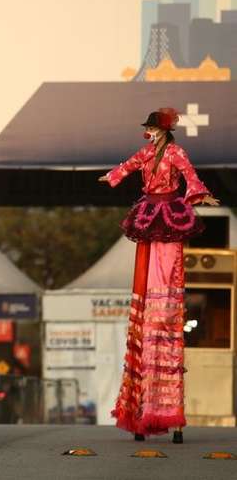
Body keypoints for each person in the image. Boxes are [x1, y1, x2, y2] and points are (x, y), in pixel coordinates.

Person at [99, 107, 219, 444]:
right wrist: (112, 176)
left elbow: (190, 175)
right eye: (148, 128)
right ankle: (140, 412)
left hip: (168, 210)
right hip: (150, 209)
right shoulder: (147, 152)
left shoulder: (177, 152)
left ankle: (165, 411)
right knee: (145, 282)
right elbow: (129, 165)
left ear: (163, 130)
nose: (149, 132)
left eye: (153, 127)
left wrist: (201, 194)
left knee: (165, 291)